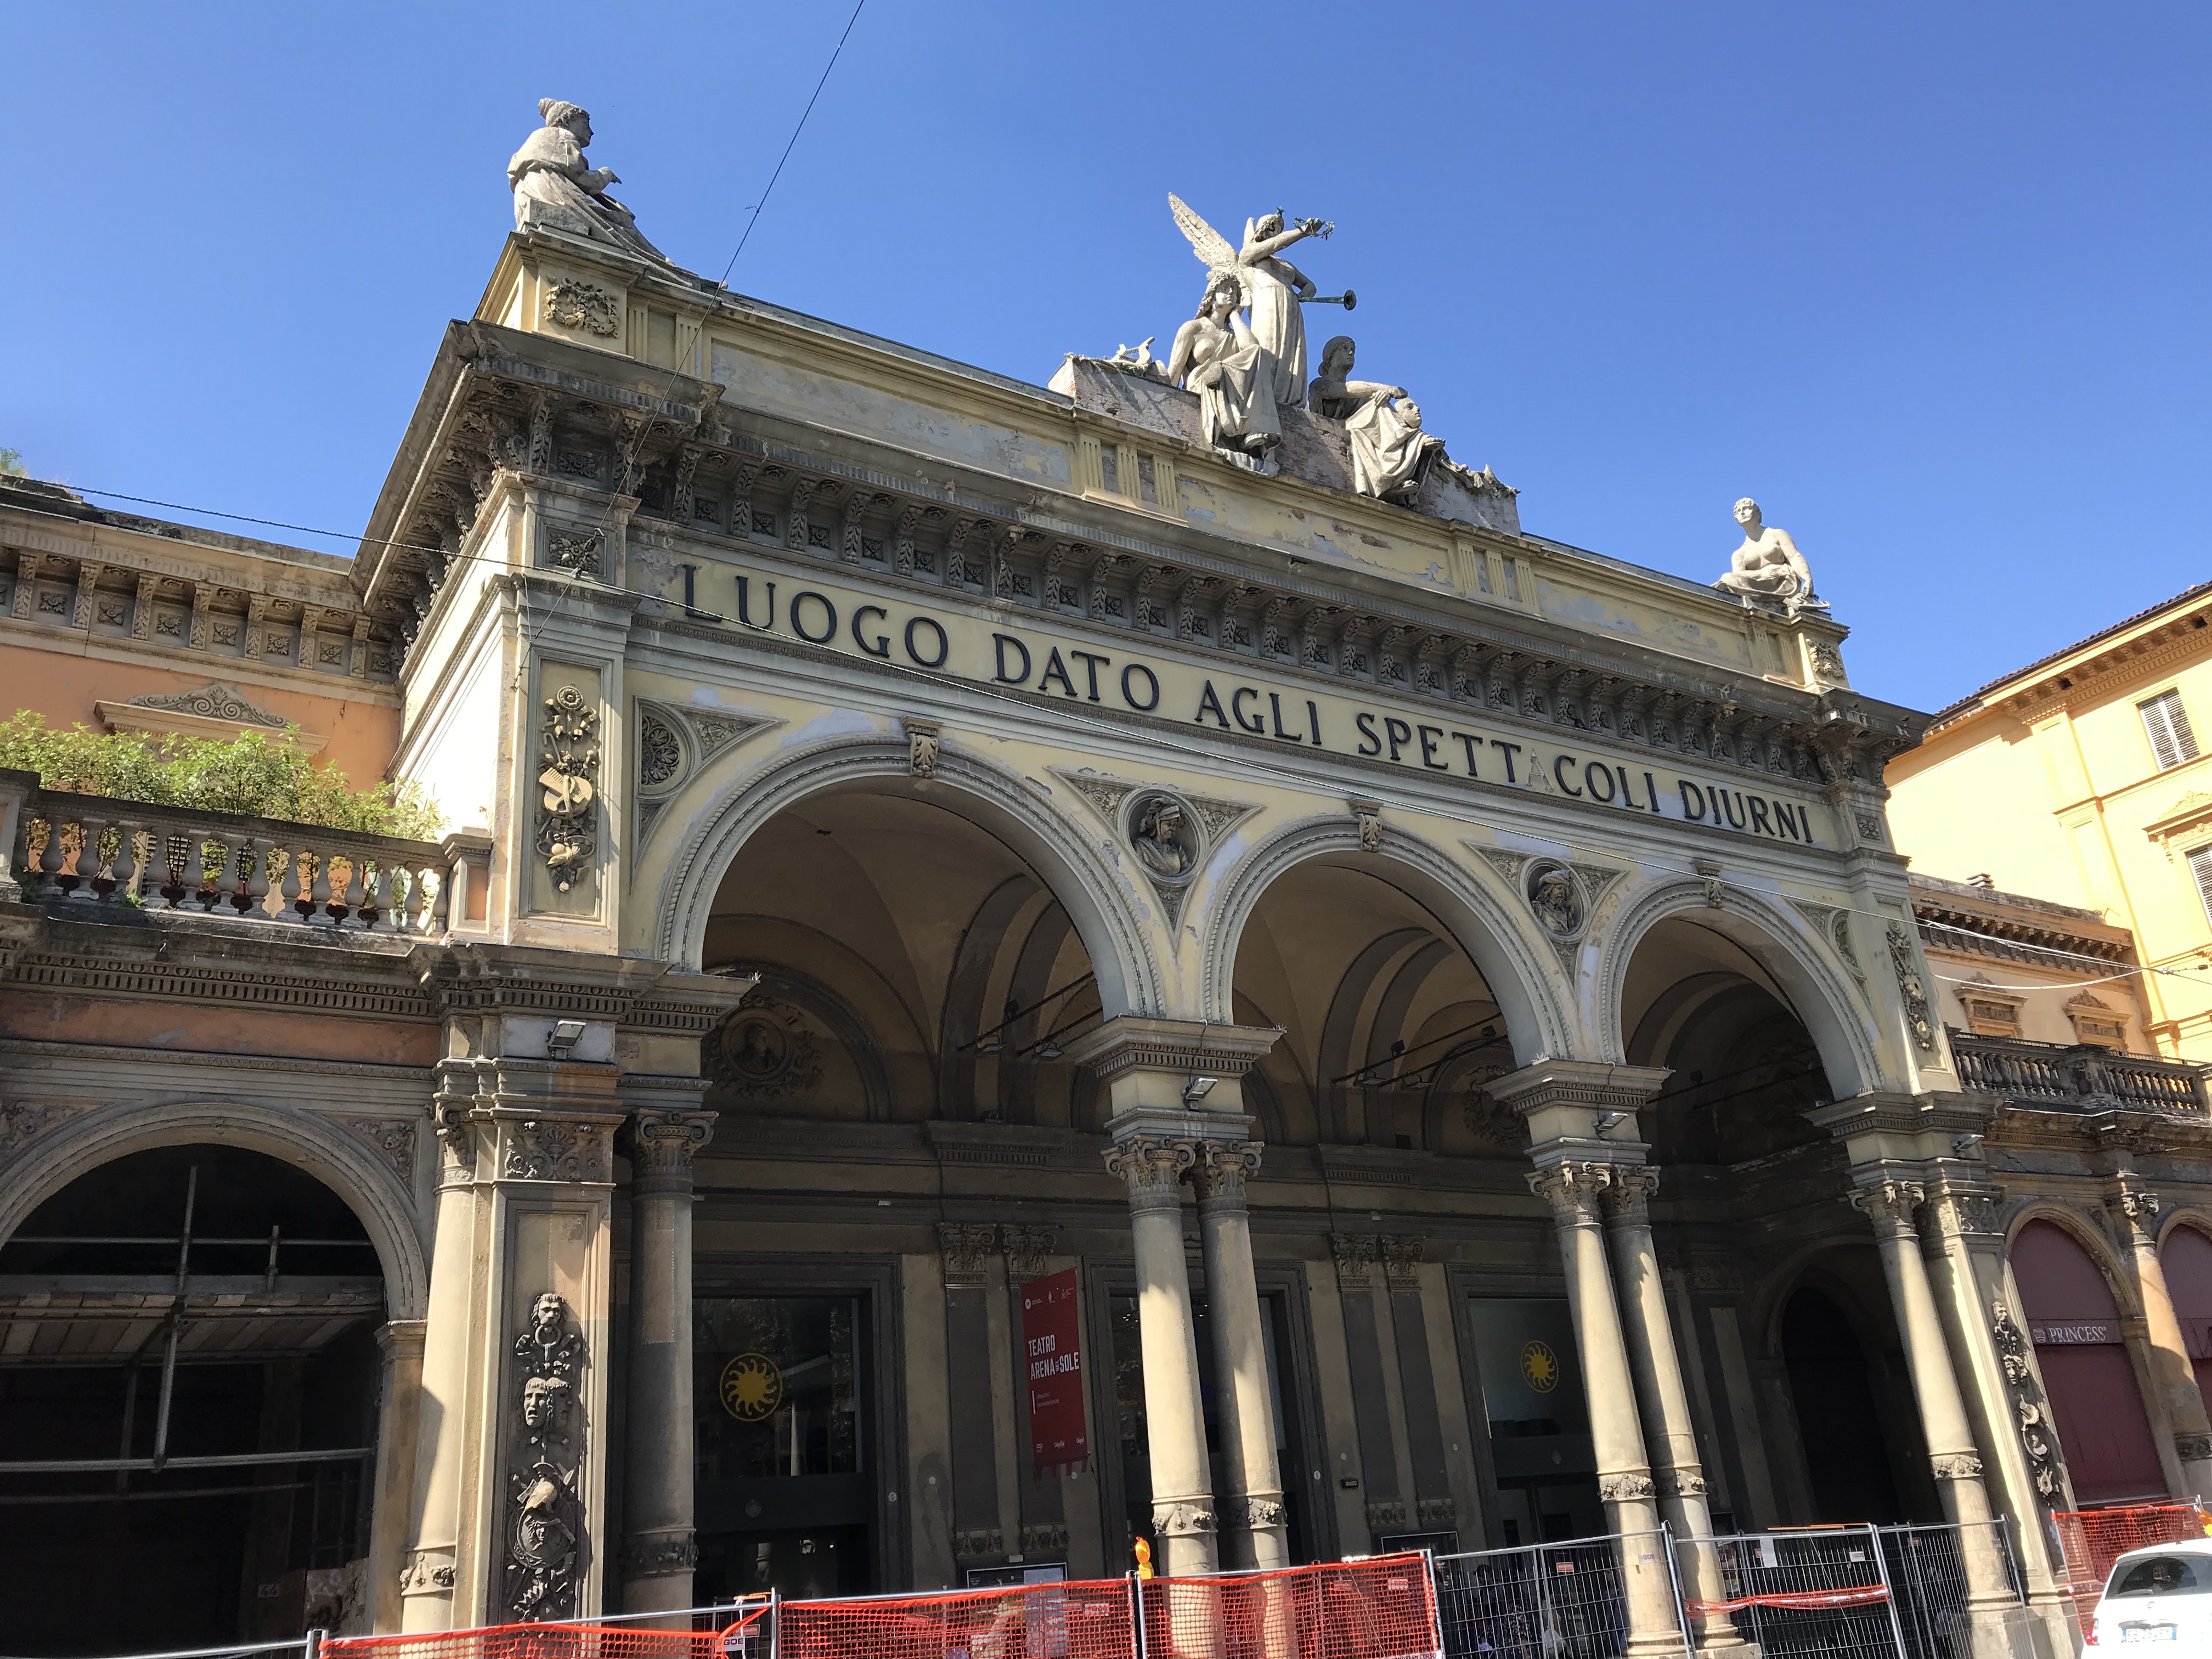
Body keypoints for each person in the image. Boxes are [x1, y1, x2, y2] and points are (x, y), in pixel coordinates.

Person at [509, 99, 673, 265]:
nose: (591, 132)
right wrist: (606, 174)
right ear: (567, 121)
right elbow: (583, 179)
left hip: (526, 199)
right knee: (621, 224)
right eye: (585, 124)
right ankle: (659, 261)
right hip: (555, 197)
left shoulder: (536, 139)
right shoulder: (563, 135)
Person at [1168, 274, 1282, 470]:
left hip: (1230, 387)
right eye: (1225, 289)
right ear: (1212, 295)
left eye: (1234, 291)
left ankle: (1255, 430)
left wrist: (1236, 317)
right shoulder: (1194, 328)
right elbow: (1175, 369)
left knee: (1258, 354)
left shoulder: (1234, 335)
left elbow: (1253, 351)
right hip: (1204, 383)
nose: (1231, 293)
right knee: (1219, 369)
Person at [1714, 498, 1825, 615]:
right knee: (1728, 578)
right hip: (1759, 584)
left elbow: (1794, 556)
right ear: (1737, 519)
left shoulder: (1777, 534)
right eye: (1738, 511)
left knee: (1726, 580)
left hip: (1783, 580)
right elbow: (1739, 579)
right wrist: (1761, 574)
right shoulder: (1739, 554)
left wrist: (1807, 579)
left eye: (1746, 508)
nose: (1742, 513)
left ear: (1757, 513)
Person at [1306, 336, 1404, 420]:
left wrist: (1381, 396)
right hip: (1320, 431)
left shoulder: (1355, 398)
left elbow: (1367, 401)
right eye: (1345, 349)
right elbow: (1346, 390)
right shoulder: (1318, 385)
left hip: (1349, 429)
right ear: (1331, 356)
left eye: (1353, 350)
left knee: (1382, 405)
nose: (1351, 353)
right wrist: (1386, 389)